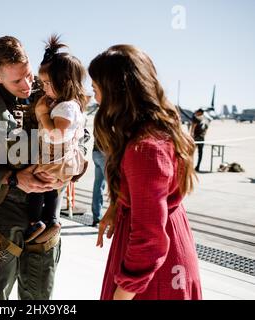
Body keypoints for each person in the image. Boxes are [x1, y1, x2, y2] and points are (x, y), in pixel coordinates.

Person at [0, 36, 65, 300]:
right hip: (2, 215)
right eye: (17, 81)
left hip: (47, 215)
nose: (27, 85)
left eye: (28, 75)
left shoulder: (52, 93)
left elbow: (80, 138)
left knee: (39, 295)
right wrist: (12, 178)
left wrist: (69, 170)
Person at [90, 45, 202, 300]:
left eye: (96, 90)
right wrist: (117, 206)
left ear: (115, 93)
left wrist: (123, 293)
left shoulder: (144, 149)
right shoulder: (156, 131)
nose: (94, 98)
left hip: (155, 275)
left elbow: (149, 239)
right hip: (169, 250)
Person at [26, 36, 88, 242]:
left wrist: (42, 114)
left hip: (55, 156)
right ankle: (51, 218)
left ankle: (35, 222)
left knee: (37, 186)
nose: (43, 88)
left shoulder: (66, 106)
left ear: (64, 83)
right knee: (51, 189)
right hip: (65, 157)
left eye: (46, 83)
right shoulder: (72, 104)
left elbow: (57, 134)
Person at [91, 141, 107, 227]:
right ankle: (115, 220)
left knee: (98, 186)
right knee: (115, 188)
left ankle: (96, 218)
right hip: (105, 152)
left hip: (96, 152)